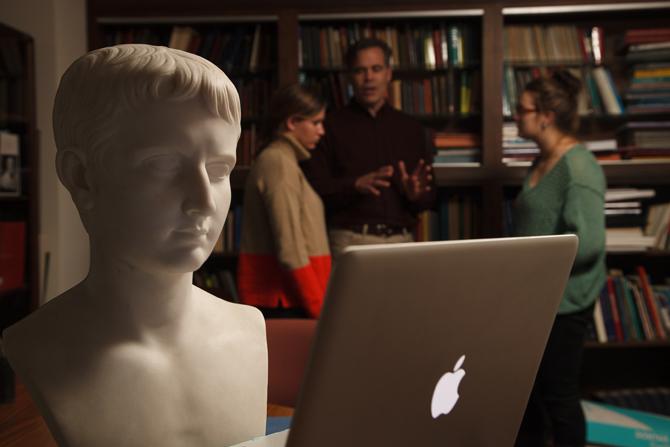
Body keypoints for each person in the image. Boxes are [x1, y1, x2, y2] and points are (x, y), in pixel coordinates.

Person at [2, 44, 267, 447]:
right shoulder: (35, 349)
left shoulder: (248, 330)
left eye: (219, 170)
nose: (204, 202)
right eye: (164, 165)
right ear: (82, 177)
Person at [512, 70, 606, 447]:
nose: (515, 117)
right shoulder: (540, 163)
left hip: (565, 306)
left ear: (546, 115)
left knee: (559, 399)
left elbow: (589, 245)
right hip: (533, 302)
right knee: (526, 399)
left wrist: (531, 263)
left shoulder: (578, 166)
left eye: (521, 110)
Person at [301, 38, 435, 258]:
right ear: (350, 77)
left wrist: (415, 195)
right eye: (360, 70)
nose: (369, 77)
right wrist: (354, 185)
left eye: (376, 69)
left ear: (389, 73)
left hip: (403, 240)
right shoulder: (327, 126)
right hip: (350, 240)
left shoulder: (411, 128)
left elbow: (430, 197)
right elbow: (314, 189)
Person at [237, 84, 330, 319]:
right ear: (292, 122)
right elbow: (290, 250)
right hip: (284, 299)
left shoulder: (283, 161)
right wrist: (319, 307)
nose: (322, 131)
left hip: (289, 297)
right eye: (316, 122)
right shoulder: (278, 163)